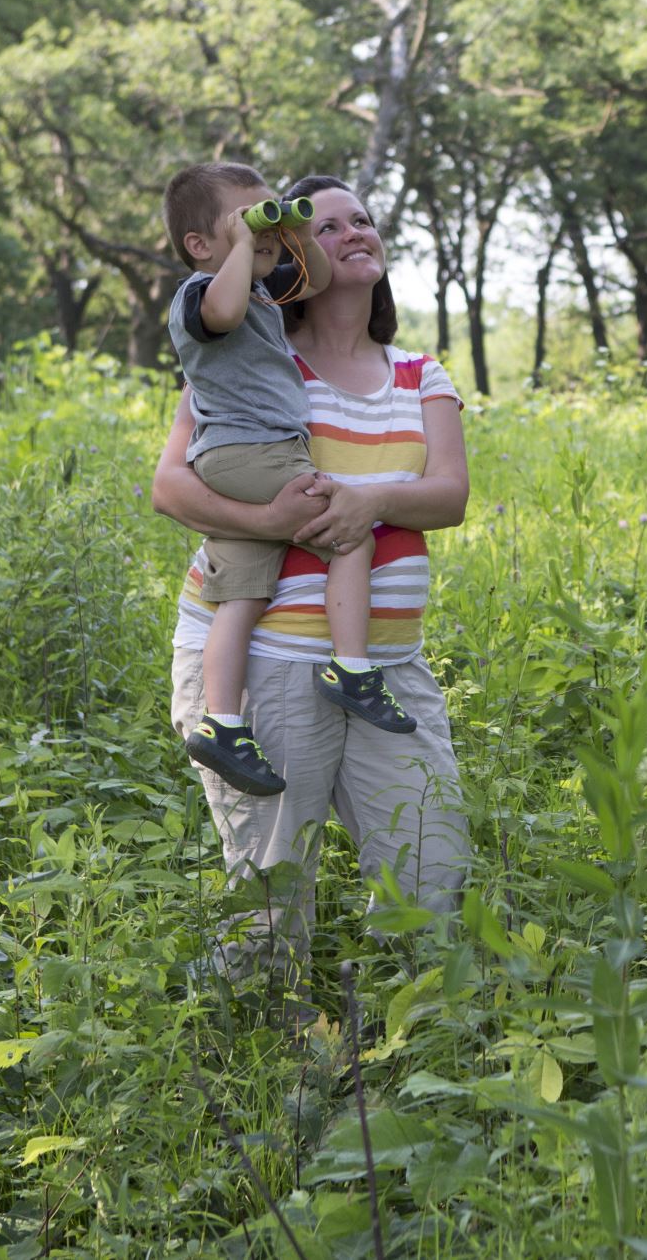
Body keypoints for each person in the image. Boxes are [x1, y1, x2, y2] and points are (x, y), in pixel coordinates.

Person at [151, 174, 472, 993]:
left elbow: (449, 497)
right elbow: (173, 488)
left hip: (385, 667)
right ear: (286, 251)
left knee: (431, 867)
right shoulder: (251, 357)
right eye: (325, 225)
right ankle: (261, 1066)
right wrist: (279, 524)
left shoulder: (420, 374)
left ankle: (414, 1045)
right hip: (268, 660)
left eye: (362, 218)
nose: (353, 231)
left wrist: (370, 501)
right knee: (271, 892)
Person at [161, 163, 418, 805]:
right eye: (250, 219)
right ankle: (354, 668)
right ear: (201, 244)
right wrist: (246, 246)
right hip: (253, 449)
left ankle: (221, 723)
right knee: (348, 529)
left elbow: (318, 277)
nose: (267, 231)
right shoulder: (202, 291)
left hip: (245, 454)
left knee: (241, 595)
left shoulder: (262, 288)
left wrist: (295, 234)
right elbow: (220, 311)